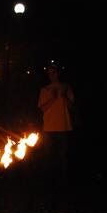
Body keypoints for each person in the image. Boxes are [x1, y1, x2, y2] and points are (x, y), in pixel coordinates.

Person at [37, 60, 76, 190]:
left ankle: (64, 184)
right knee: (49, 156)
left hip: (64, 126)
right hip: (48, 127)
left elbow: (72, 107)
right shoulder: (45, 89)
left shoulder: (67, 87)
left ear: (58, 73)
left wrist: (64, 97)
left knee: (63, 157)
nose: (52, 75)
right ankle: (49, 183)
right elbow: (42, 108)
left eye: (54, 72)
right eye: (50, 73)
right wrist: (52, 98)